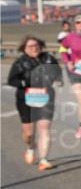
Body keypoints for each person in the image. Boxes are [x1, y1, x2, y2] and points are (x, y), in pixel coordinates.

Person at [7, 36, 61, 171]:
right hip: (26, 99)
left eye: (36, 45)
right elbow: (11, 80)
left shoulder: (48, 58)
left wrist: (58, 80)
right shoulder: (20, 63)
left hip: (46, 97)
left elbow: (57, 72)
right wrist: (26, 83)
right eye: (30, 46)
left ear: (40, 46)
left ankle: (43, 160)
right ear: (24, 49)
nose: (34, 48)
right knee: (29, 133)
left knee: (44, 128)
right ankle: (30, 147)